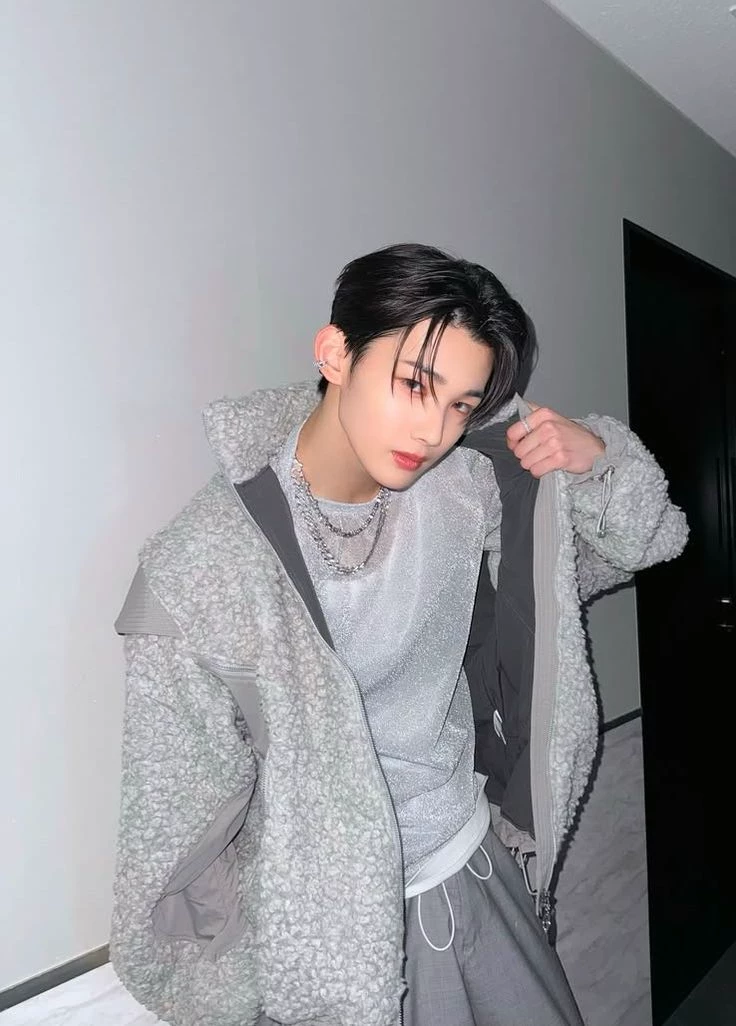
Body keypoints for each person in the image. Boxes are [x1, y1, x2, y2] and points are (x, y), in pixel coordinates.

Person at [111, 243, 687, 1026]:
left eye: (461, 405)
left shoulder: (465, 491)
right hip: (335, 946)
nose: (434, 429)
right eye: (415, 384)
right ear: (335, 353)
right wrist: (245, 989)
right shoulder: (203, 569)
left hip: (478, 871)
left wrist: (598, 464)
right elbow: (171, 835)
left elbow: (628, 549)